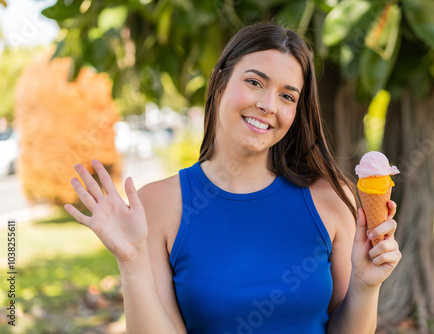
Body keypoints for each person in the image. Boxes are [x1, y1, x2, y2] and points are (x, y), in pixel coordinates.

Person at [64, 22, 401, 334]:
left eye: (287, 95)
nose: (268, 105)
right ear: (219, 82)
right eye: (255, 82)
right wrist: (131, 263)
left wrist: (365, 285)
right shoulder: (159, 204)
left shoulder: (330, 198)